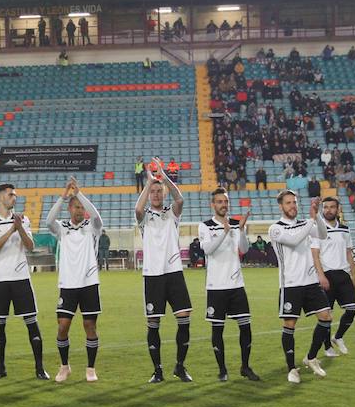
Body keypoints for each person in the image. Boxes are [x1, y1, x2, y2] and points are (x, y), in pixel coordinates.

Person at [134, 160, 194, 383]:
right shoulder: (144, 217)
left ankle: (179, 366)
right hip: (152, 276)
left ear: (164, 193)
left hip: (174, 273)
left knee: (184, 318)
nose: (157, 194)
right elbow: (138, 209)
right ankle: (157, 370)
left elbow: (180, 198)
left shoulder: (172, 213)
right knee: (153, 323)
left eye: (160, 191)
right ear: (149, 194)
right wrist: (149, 182)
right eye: (153, 191)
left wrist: (163, 177)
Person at [0, 184, 47, 380]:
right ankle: (1, 368)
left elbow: (30, 246)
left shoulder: (23, 219)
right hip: (0, 281)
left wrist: (20, 228)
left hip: (21, 279)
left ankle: (39, 368)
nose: (14, 198)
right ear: (0, 197)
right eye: (11, 195)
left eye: (15, 195)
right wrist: (12, 230)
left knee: (31, 323)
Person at [268, 190, 333, 384]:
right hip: (290, 285)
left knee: (326, 317)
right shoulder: (275, 228)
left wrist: (317, 214)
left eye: (294, 202)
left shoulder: (306, 223)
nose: (292, 206)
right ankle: (291, 369)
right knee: (290, 325)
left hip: (311, 282)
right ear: (281, 206)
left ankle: (311, 357)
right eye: (288, 203)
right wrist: (312, 220)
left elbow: (323, 233)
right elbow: (294, 240)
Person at [198, 188, 261, 382]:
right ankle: (222, 369)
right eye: (219, 202)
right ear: (213, 205)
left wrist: (241, 230)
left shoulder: (235, 224)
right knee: (218, 329)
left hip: (236, 284)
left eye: (225, 202)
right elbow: (208, 250)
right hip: (216, 287)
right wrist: (225, 233)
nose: (223, 205)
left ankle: (245, 367)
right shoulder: (205, 226)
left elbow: (244, 249)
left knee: (245, 327)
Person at [45, 177, 103, 382]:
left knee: (90, 327)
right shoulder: (62, 228)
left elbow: (96, 216)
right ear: (69, 209)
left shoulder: (92, 227)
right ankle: (64, 367)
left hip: (89, 284)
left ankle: (90, 369)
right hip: (68, 285)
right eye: (76, 207)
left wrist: (79, 193)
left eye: (81, 207)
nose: (80, 210)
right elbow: (48, 221)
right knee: (62, 326)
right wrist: (63, 197)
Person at [311, 197, 355, 357]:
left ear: (338, 209)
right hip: (327, 275)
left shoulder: (345, 229)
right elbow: (315, 255)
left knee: (352, 308)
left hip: (343, 275)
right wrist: (321, 276)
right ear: (322, 209)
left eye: (332, 207)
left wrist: (353, 275)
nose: (328, 210)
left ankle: (338, 337)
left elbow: (349, 253)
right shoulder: (317, 229)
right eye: (325, 207)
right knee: (327, 315)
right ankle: (327, 348)